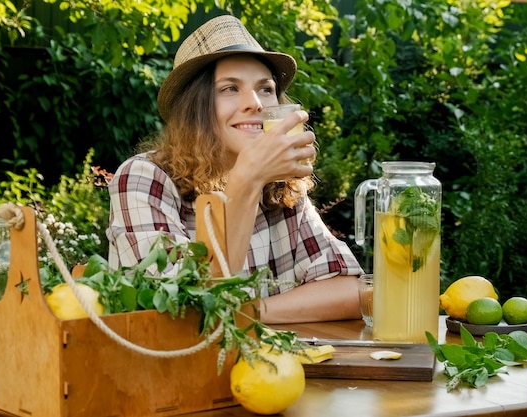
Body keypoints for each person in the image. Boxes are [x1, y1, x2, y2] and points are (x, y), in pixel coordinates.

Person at [106, 14, 364, 324]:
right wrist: (247, 178)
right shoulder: (145, 179)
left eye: (265, 89)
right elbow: (181, 310)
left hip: (263, 370)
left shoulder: (279, 186)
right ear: (194, 108)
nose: (255, 102)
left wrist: (247, 312)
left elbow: (349, 290)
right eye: (230, 89)